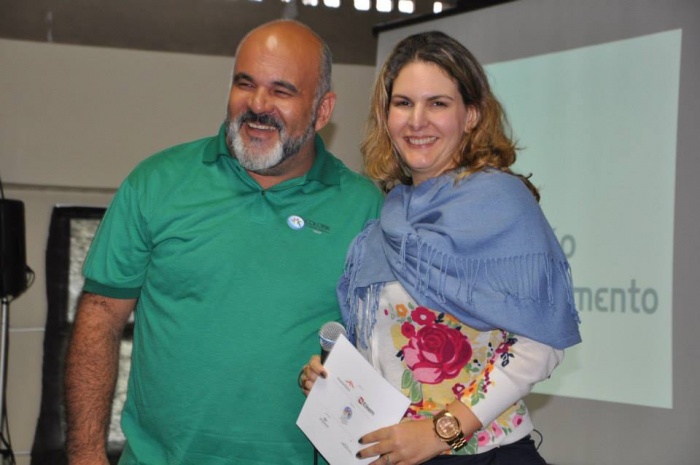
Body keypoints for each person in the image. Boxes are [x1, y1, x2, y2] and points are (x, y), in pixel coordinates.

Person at [64, 20, 384, 465]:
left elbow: (387, 346)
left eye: (282, 90)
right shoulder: (156, 183)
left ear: (322, 109)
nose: (258, 105)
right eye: (245, 84)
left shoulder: (365, 207)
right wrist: (85, 455)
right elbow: (100, 316)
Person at [299, 31, 581, 465]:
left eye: (437, 104)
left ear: (471, 115)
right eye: (403, 103)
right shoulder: (389, 215)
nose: (417, 121)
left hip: (483, 456)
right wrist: (335, 375)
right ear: (386, 116)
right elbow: (388, 348)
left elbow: (541, 344)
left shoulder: (503, 203)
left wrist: (440, 431)